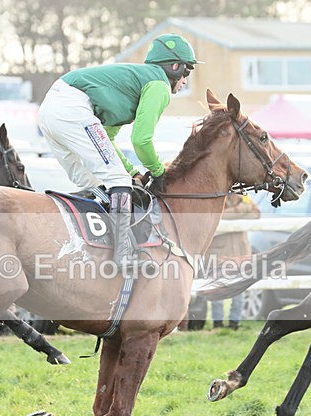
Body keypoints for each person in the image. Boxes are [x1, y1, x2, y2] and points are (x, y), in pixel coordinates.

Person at [37, 33, 201, 269]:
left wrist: (133, 171)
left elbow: (108, 144)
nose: (185, 80)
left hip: (50, 110)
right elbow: (141, 141)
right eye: (186, 72)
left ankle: (80, 244)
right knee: (117, 180)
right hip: (72, 108)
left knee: (91, 180)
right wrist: (157, 172)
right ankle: (123, 254)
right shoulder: (159, 85)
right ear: (174, 67)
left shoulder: (129, 87)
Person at [208, 194, 260, 330]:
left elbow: (256, 214)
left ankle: (234, 324)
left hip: (241, 252)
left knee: (239, 292)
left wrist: (232, 214)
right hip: (219, 253)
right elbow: (217, 217)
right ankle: (217, 325)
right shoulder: (216, 196)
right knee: (217, 291)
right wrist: (242, 211)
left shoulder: (243, 196)